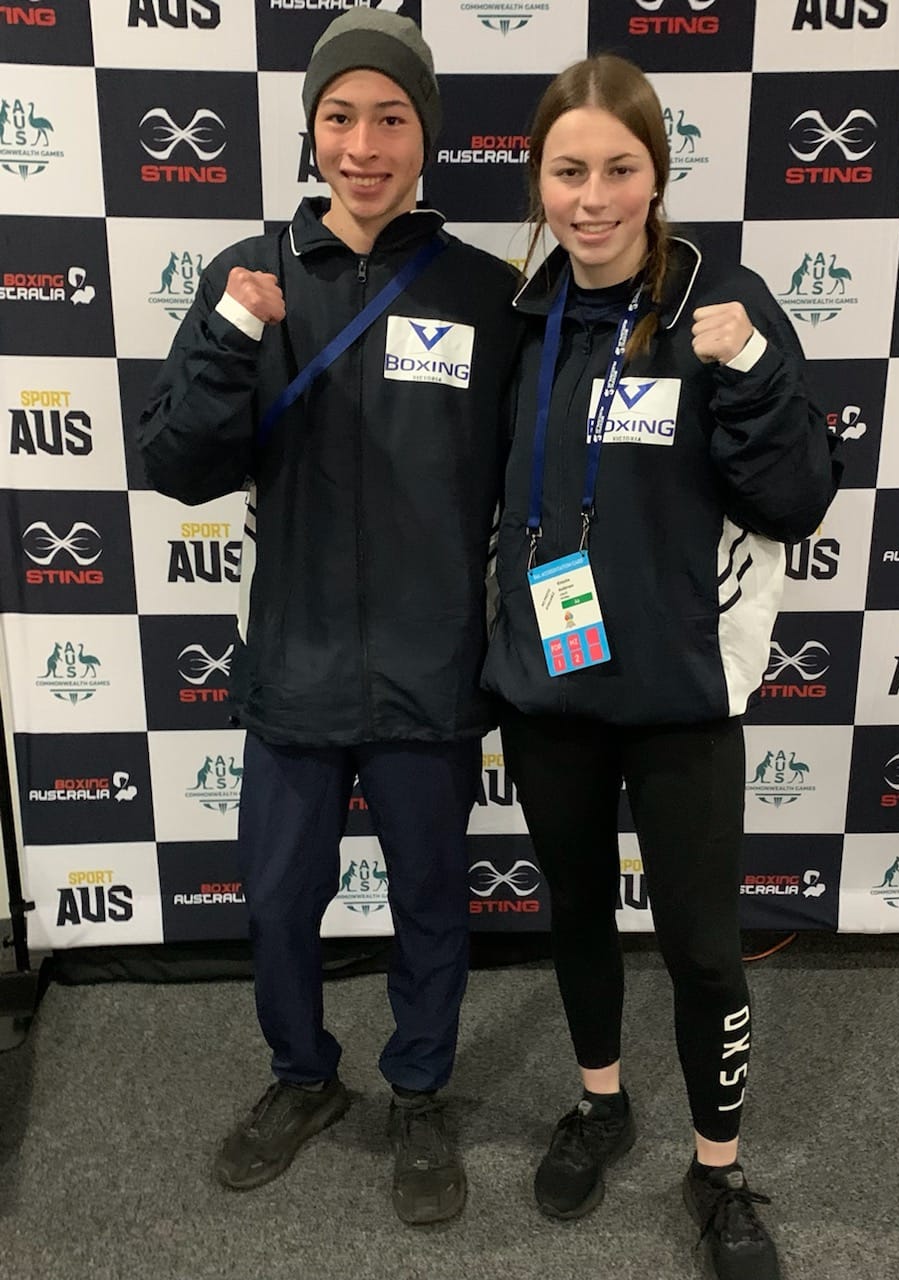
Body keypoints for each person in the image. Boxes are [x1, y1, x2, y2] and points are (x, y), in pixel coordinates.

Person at [139, 9, 522, 1226]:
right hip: (295, 668)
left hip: (430, 674)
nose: (365, 143)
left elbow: (541, 471)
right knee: (276, 900)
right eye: (342, 116)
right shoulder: (250, 275)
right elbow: (175, 463)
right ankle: (302, 1074)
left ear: (427, 138)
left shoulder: (484, 292)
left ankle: (419, 1088)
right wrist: (227, 332)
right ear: (312, 130)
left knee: (428, 900)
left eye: (392, 118)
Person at [482, 56, 841, 1278]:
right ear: (538, 180)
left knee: (700, 943)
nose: (593, 198)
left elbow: (795, 497)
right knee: (576, 909)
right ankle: (602, 1101)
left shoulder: (718, 302)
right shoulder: (524, 321)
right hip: (551, 691)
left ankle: (720, 1166)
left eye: (618, 169)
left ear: (657, 174)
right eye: (568, 170)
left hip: (681, 696)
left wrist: (747, 371)